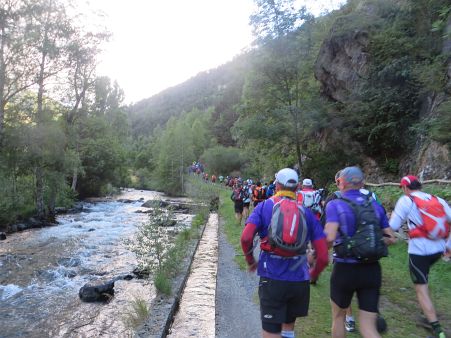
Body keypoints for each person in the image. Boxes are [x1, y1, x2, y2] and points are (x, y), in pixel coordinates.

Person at [241, 168, 328, 338]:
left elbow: (245, 238)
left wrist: (251, 260)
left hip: (272, 278)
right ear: (297, 188)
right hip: (299, 280)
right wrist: (313, 273)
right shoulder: (307, 214)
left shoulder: (264, 207)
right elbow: (323, 256)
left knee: (271, 331)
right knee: (288, 329)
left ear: (277, 185)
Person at [324, 166, 395, 338]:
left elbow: (329, 238)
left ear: (340, 183)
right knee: (369, 326)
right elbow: (391, 238)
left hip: (345, 269)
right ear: (362, 183)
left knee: (339, 318)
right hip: (372, 270)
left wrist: (316, 253)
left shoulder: (335, 205)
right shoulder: (375, 206)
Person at [389, 175, 451, 338]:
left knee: (421, 288)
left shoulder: (406, 200)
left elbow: (393, 226)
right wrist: (448, 245)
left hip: (419, 251)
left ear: (404, 187)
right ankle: (427, 312)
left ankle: (437, 329)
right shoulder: (437, 199)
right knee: (424, 278)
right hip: (438, 249)